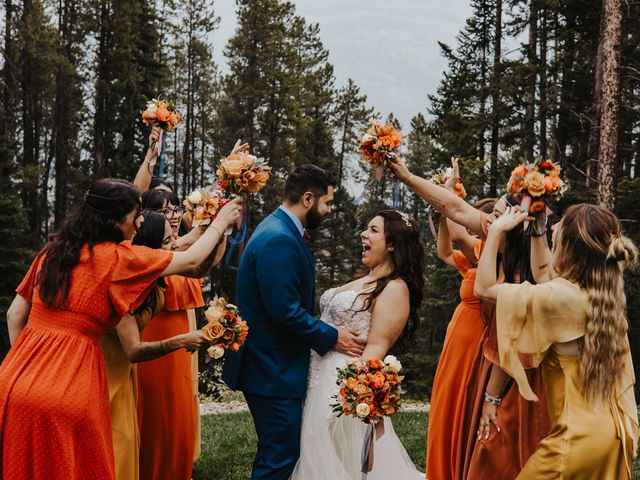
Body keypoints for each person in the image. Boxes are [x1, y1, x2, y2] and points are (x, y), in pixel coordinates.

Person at [1, 178, 241, 479]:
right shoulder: (117, 259)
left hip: (13, 381)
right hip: (72, 386)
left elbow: (14, 315)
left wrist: (31, 366)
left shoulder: (53, 252)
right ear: (114, 222)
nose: (140, 222)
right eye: (134, 216)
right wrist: (221, 222)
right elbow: (192, 260)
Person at [386, 157, 550, 479]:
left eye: (499, 215)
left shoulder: (522, 273)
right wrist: (407, 176)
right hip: (487, 355)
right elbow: (454, 208)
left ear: (517, 225)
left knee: (493, 447)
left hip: (508, 367)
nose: (490, 219)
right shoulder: (492, 243)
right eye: (492, 214)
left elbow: (511, 342)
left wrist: (491, 396)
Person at [222, 164, 366, 480]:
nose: (328, 210)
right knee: (279, 458)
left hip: (272, 365)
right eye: (327, 203)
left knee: (280, 452)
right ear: (307, 198)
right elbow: (284, 311)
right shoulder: (278, 239)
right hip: (270, 368)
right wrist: (332, 336)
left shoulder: (279, 229)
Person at [474, 204, 638, 479]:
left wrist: (496, 231)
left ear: (569, 247)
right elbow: (543, 276)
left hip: (574, 440)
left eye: (557, 226)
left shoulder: (561, 297)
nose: (552, 228)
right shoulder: (601, 299)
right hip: (611, 434)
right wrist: (537, 229)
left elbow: (485, 288)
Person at [291, 209, 425, 479]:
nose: (364, 234)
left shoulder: (395, 288)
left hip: (341, 385)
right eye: (366, 228)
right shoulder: (364, 279)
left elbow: (377, 347)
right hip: (315, 375)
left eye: (374, 230)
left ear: (391, 244)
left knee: (337, 457)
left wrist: (353, 396)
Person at [101, 210, 223, 480]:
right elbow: (133, 350)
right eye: (169, 242)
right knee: (117, 447)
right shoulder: (123, 279)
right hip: (107, 370)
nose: (174, 246)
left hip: (124, 368)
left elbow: (199, 267)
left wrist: (220, 230)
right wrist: (182, 340)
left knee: (130, 442)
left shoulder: (151, 272)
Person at [136, 191, 225, 480]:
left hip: (181, 346)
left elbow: (204, 262)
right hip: (156, 347)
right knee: (156, 415)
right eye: (164, 211)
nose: (173, 216)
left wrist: (221, 211)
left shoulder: (174, 249)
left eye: (175, 209)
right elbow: (192, 252)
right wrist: (213, 223)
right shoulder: (152, 256)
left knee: (180, 412)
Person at [425, 165, 496, 480]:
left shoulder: (486, 254)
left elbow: (456, 231)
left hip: (474, 340)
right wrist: (444, 204)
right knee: (446, 405)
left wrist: (449, 191)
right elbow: (443, 249)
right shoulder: (472, 259)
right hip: (457, 339)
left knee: (460, 404)